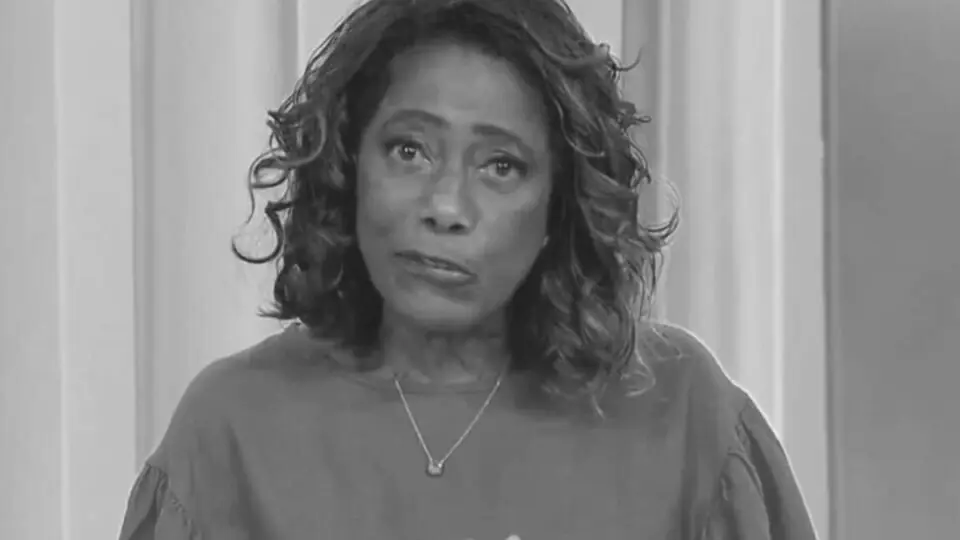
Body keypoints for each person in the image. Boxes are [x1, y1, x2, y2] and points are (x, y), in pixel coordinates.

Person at [118, 0, 818, 538]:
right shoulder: (231, 431)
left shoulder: (683, 417)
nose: (445, 207)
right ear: (348, 163)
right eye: (409, 151)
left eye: (500, 166)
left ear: (559, 207)